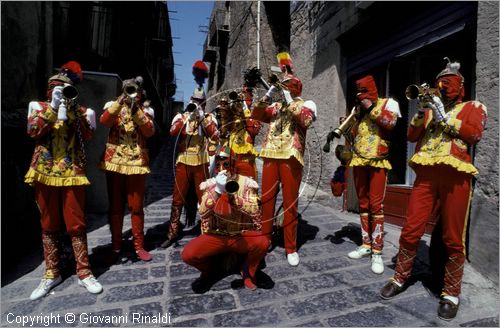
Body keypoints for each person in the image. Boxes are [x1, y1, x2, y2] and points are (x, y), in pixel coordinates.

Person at [379, 59, 487, 321]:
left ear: (459, 86)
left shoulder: (473, 106)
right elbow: (412, 136)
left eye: (447, 84)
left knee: (452, 236)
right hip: (426, 176)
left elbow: (474, 135)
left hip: (455, 176)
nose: (442, 88)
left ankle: (450, 293)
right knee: (412, 228)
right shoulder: (427, 111)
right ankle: (400, 276)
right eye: (440, 84)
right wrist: (420, 110)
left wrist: (441, 115)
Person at [24, 61, 103, 300]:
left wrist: (72, 110)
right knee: (49, 224)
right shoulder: (37, 107)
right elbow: (33, 131)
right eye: (55, 88)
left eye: (65, 88)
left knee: (76, 224)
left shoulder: (83, 111)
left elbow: (88, 136)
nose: (59, 91)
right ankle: (51, 273)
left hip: (72, 173)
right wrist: (53, 107)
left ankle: (84, 271)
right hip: (44, 171)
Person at [251, 52, 317, 266]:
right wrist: (268, 94)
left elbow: (306, 121)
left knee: (290, 204)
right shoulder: (277, 106)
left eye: (286, 86)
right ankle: (264, 239)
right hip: (271, 155)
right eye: (282, 86)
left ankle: (290, 247)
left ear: (295, 88)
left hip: (291, 157)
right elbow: (257, 116)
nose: (283, 89)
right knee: (267, 200)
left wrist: (290, 99)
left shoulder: (306, 104)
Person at [181, 147, 268, 292]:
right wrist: (217, 191)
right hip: (217, 234)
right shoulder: (210, 184)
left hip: (239, 235)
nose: (222, 169)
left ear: (233, 164)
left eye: (226, 165)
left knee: (263, 243)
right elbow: (202, 213)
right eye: (219, 165)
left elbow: (255, 211)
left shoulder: (246, 183)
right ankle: (209, 270)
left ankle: (247, 271)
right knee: (188, 254)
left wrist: (235, 197)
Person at [345, 75, 401, 274]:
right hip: (360, 158)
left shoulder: (389, 103)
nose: (360, 95)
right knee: (363, 203)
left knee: (376, 205)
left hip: (378, 160)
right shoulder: (358, 108)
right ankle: (366, 244)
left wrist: (369, 106)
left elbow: (389, 123)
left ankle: (377, 251)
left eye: (363, 91)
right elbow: (356, 133)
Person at [99, 76, 155, 262]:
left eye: (135, 92)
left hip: (137, 163)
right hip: (115, 162)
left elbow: (149, 131)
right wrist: (120, 102)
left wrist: (136, 109)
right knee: (115, 207)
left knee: (137, 207)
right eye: (129, 90)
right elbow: (104, 121)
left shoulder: (145, 112)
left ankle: (139, 246)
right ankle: (116, 246)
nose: (132, 94)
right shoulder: (113, 106)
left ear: (140, 94)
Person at [161, 85, 219, 248]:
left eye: (200, 101)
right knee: (178, 197)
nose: (197, 103)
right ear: (190, 100)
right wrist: (186, 118)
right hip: (183, 162)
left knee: (205, 197)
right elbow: (173, 132)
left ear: (205, 102)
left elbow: (215, 135)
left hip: (201, 162)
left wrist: (202, 118)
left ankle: (207, 231)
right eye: (194, 100)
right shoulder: (181, 116)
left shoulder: (209, 118)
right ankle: (172, 232)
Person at [216, 87, 261, 179]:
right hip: (230, 143)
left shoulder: (250, 113)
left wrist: (244, 109)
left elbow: (253, 130)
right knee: (226, 166)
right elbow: (224, 130)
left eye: (246, 94)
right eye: (243, 93)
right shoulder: (231, 111)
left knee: (247, 175)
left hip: (245, 143)